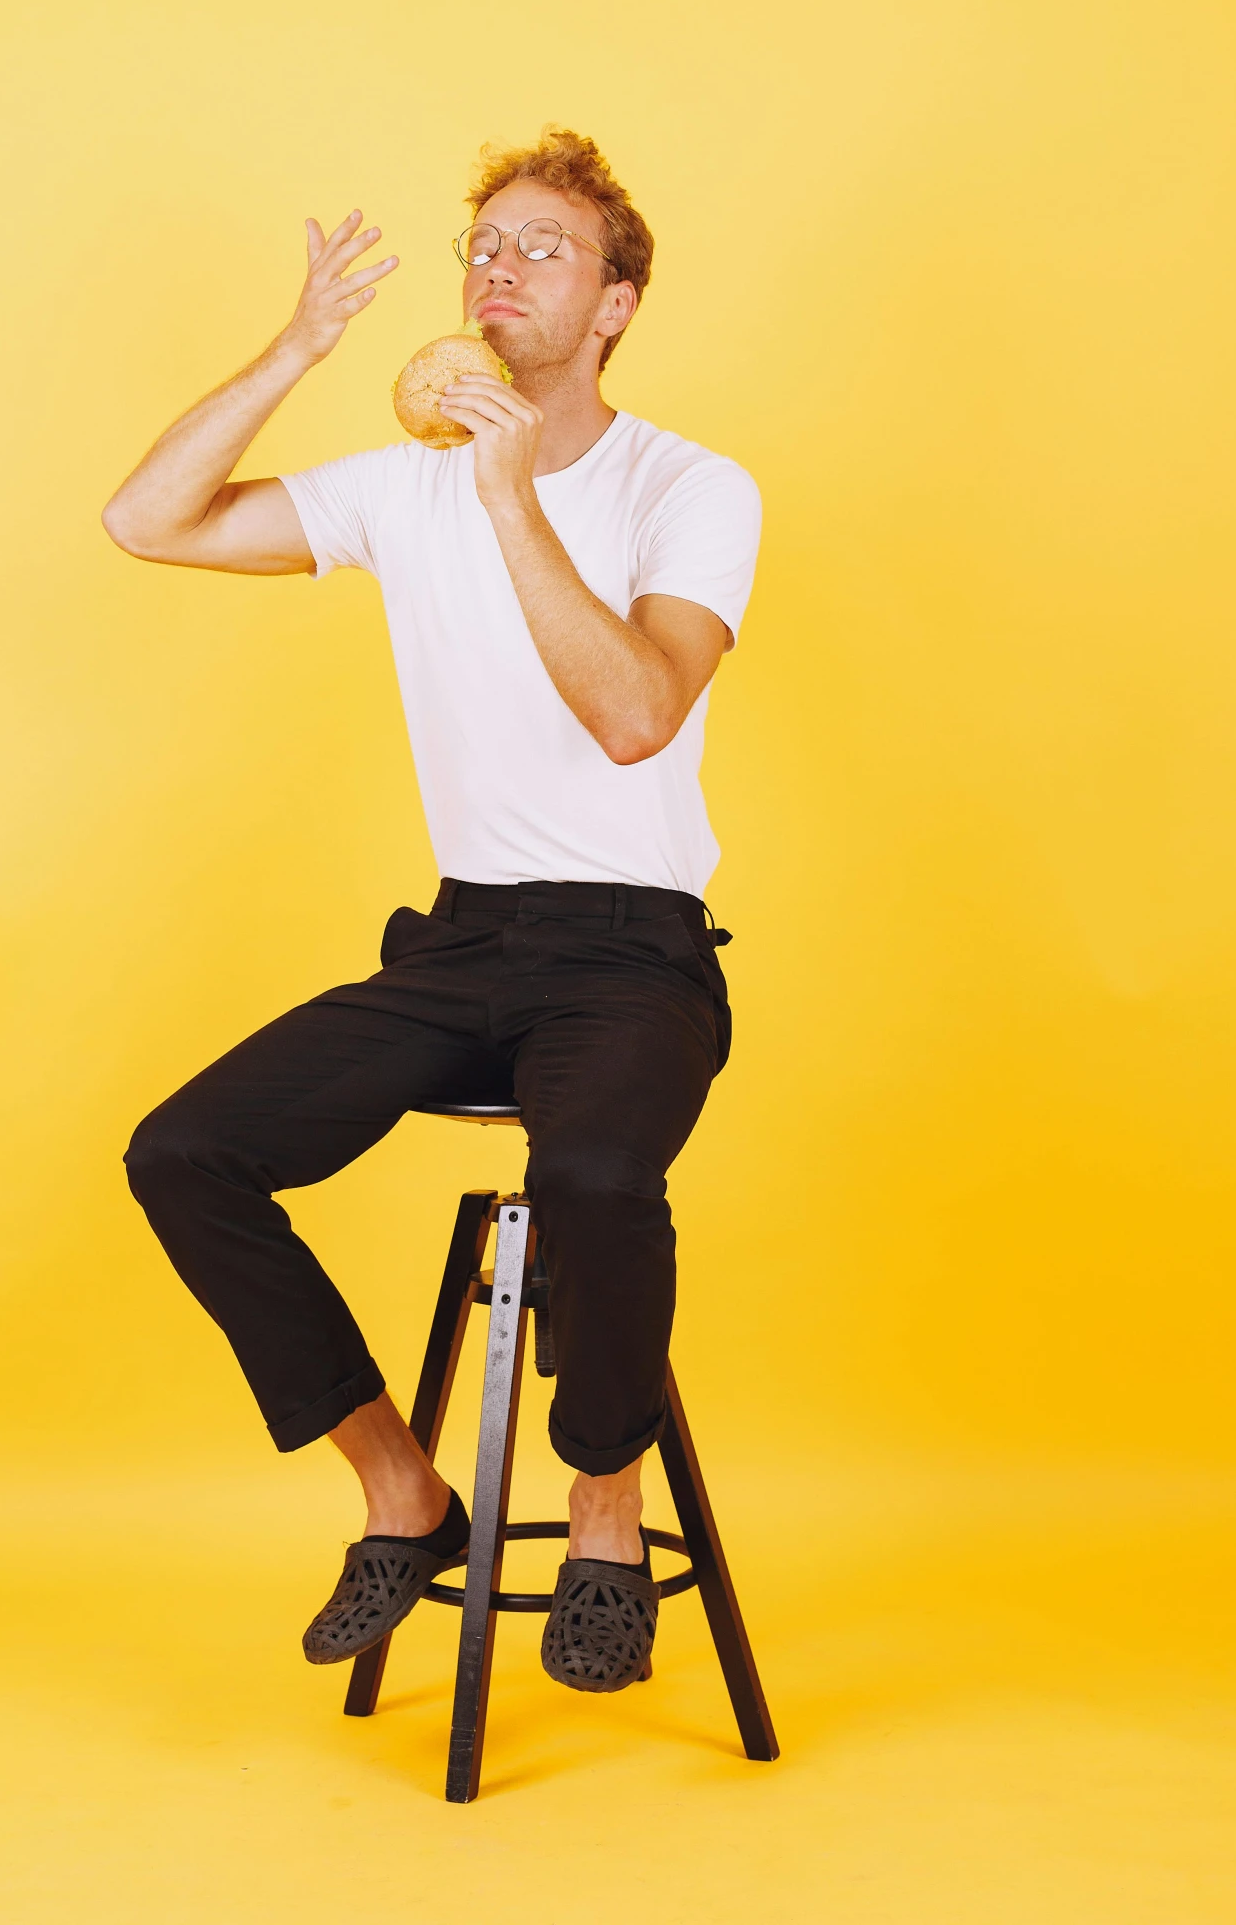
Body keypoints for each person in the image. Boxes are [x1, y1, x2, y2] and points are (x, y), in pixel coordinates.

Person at [103, 127, 761, 1694]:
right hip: (463, 943)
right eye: (487, 247)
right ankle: (404, 1492)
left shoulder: (691, 485)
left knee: (595, 1167)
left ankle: (604, 1508)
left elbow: (632, 715)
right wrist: (300, 345)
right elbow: (150, 518)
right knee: (181, 1151)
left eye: (543, 249)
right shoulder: (397, 491)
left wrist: (509, 495)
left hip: (631, 950)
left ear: (614, 303)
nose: (497, 270)